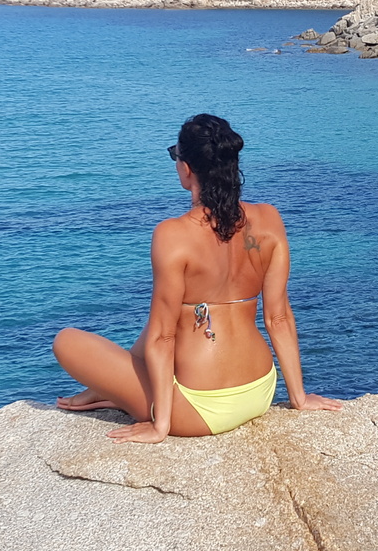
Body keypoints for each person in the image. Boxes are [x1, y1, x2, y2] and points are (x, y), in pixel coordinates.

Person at [52, 113, 342, 442]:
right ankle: (109, 389)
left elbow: (162, 338)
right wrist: (299, 398)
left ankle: (116, 391)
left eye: (176, 156)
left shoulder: (172, 235)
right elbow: (279, 318)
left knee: (66, 340)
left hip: (199, 407)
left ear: (187, 168)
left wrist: (161, 425)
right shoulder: (269, 218)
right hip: (259, 389)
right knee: (175, 312)